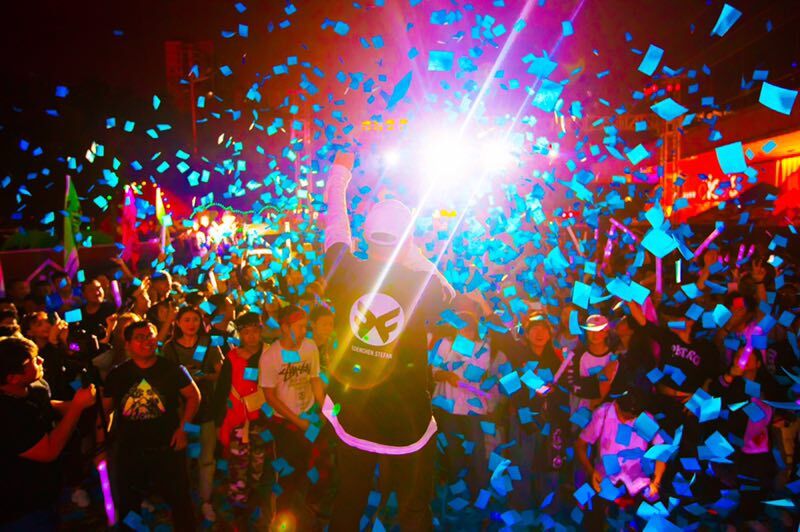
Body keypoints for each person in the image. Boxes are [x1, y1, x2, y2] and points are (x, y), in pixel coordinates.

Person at [322, 152, 453, 530]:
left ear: (365, 236)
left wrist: (340, 175)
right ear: (406, 239)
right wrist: (410, 249)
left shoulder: (344, 271)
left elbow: (335, 226)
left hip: (353, 413)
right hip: (406, 421)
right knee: (413, 510)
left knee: (348, 501)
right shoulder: (420, 284)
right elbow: (447, 290)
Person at [100, 321, 201, 531]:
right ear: (127, 344)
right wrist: (101, 445)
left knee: (180, 500)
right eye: (140, 337)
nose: (147, 341)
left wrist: (184, 429)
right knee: (129, 503)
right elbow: (104, 412)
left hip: (167, 447)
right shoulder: (117, 375)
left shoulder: (172, 369)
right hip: (130, 450)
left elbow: (194, 396)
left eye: (150, 336)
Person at [0, 336, 96, 530]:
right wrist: (76, 407)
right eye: (33, 360)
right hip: (21, 502)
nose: (41, 360)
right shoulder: (7, 414)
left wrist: (78, 404)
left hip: (48, 487)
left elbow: (45, 406)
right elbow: (48, 451)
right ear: (13, 378)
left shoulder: (35, 386)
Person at [259, 305, 325, 521]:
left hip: (309, 417)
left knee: (307, 465)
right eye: (299, 327)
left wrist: (323, 406)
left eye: (305, 326)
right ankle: (279, 517)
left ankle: (302, 510)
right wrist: (298, 421)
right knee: (285, 472)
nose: (304, 331)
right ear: (285, 327)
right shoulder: (270, 357)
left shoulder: (310, 347)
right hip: (284, 424)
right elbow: (270, 397)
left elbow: (315, 378)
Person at [162, 306, 223, 522]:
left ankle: (205, 500)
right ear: (178, 323)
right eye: (186, 320)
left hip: (206, 408)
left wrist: (204, 377)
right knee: (184, 457)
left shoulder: (209, 343)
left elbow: (220, 374)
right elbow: (165, 378)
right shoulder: (170, 348)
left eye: (195, 319)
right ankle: (183, 499)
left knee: (206, 458)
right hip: (182, 411)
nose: (191, 324)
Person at [575, 389, 668, 529]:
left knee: (652, 520)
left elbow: (661, 452)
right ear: (617, 405)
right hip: (605, 481)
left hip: (637, 484)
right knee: (594, 522)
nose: (629, 419)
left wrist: (656, 481)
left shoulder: (644, 419)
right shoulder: (604, 413)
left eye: (633, 416)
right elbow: (580, 445)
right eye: (625, 415)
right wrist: (591, 471)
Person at [213, 312, 270, 522]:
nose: (251, 336)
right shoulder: (232, 357)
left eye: (255, 331)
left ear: (261, 331)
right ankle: (238, 506)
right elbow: (222, 389)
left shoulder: (270, 353)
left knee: (259, 463)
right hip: (238, 418)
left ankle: (256, 499)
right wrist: (218, 421)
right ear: (240, 334)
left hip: (263, 418)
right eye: (246, 332)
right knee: (238, 463)